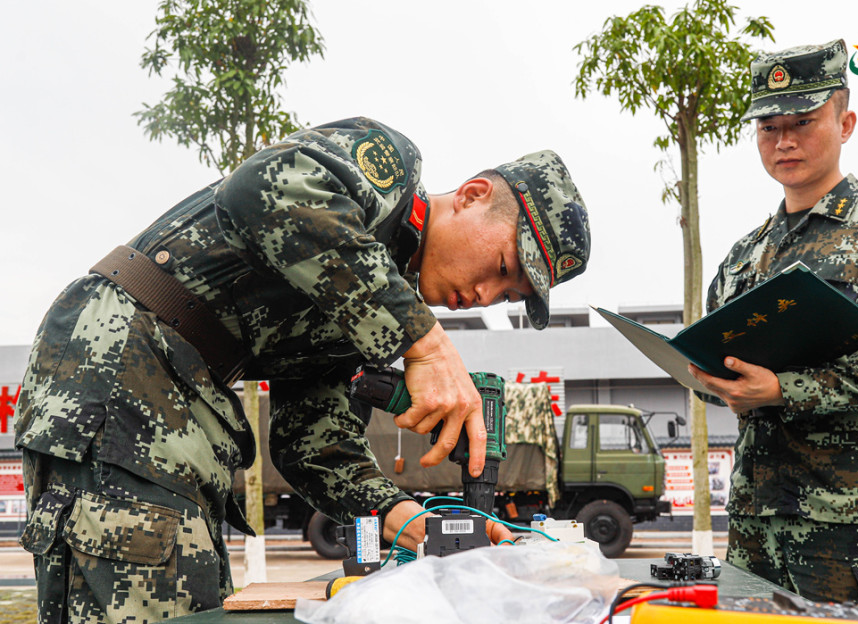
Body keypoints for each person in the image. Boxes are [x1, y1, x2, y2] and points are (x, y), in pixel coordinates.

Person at [14, 117, 591, 623]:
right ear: (472, 194)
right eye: (502, 265)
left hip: (180, 396)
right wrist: (428, 343)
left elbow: (312, 441)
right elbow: (260, 190)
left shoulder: (360, 310)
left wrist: (407, 519)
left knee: (191, 601)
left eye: (507, 295)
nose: (485, 294)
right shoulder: (386, 171)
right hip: (122, 356)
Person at [689, 40, 858, 604]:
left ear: (845, 122)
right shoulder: (742, 256)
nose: (784, 140)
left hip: (853, 525)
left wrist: (784, 388)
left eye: (803, 122)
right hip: (756, 524)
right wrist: (718, 383)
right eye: (768, 127)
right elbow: (713, 369)